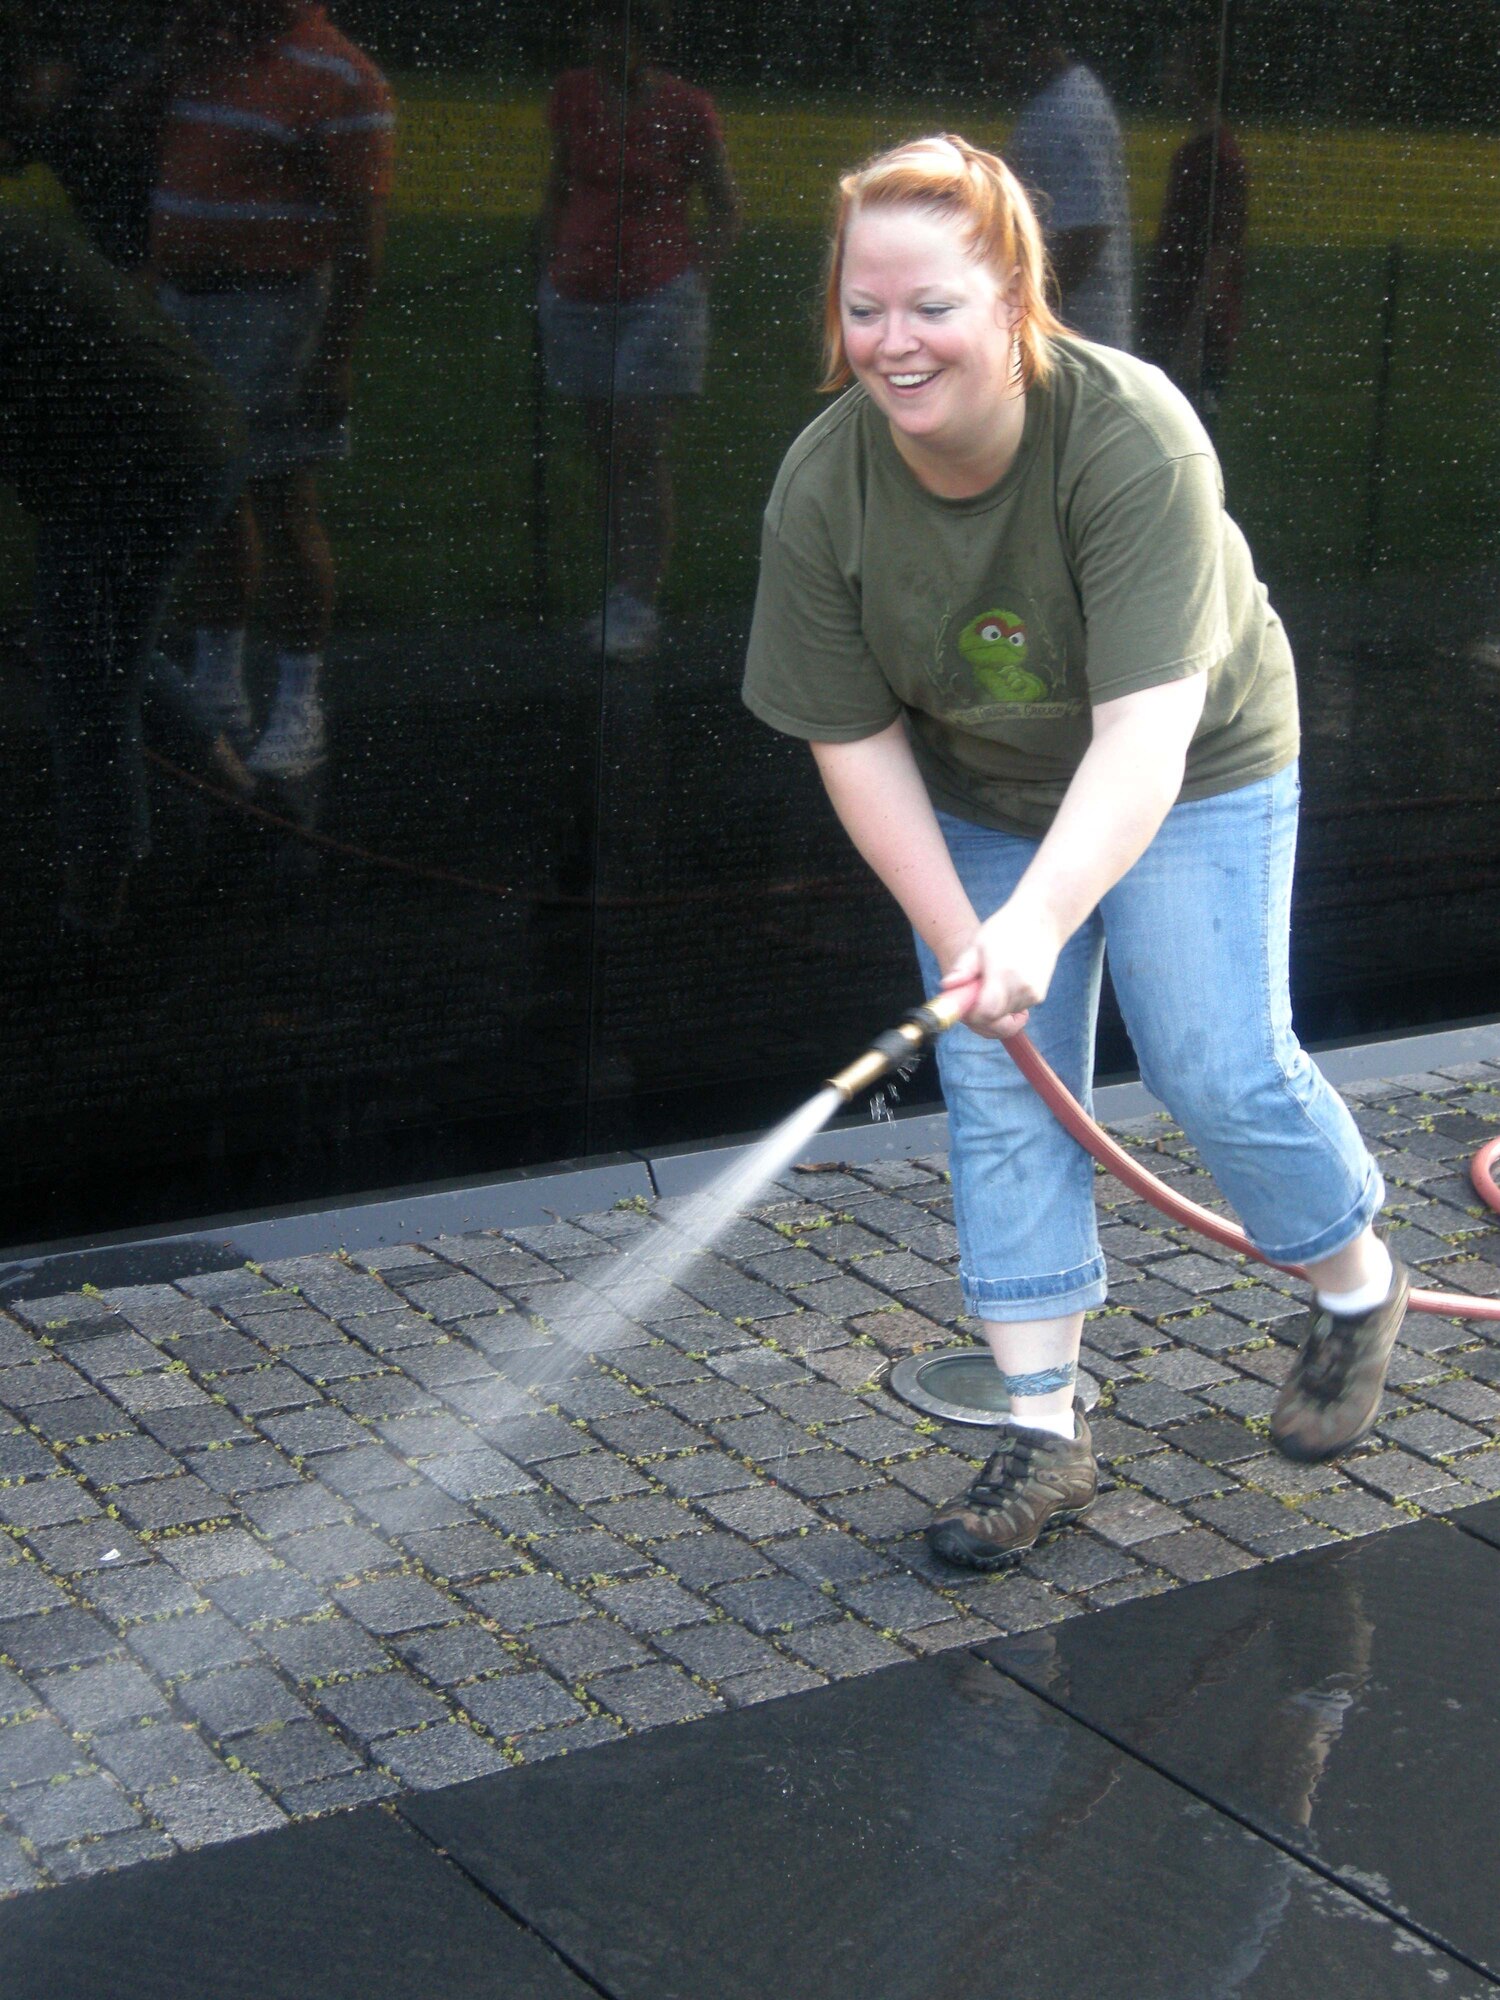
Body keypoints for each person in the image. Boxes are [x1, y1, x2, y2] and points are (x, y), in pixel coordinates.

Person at [742, 136, 1407, 1572]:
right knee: (996, 1083)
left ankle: (1355, 1287)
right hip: (979, 789)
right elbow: (852, 744)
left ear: (1015, 299)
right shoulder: (823, 487)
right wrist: (965, 934)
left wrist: (1037, 924)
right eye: (865, 307)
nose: (893, 342)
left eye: (931, 305)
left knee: (1216, 1062)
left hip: (1188, 762)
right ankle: (1039, 1429)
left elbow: (1145, 740)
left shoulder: (1129, 434)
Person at [151, 0, 395, 779]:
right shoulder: (203, 51)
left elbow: (361, 234)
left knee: (281, 505)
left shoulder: (342, 76)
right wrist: (168, 60)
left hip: (274, 307)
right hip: (180, 304)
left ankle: (299, 704)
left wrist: (335, 356)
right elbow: (125, 138)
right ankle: (219, 687)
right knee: (208, 500)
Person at [0, 209, 241, 933]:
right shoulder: (16, 234)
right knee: (93, 648)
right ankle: (242, 800)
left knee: (88, 688)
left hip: (131, 464)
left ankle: (95, 907)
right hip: (184, 438)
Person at [539, 0, 740, 660]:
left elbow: (724, 206)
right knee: (603, 448)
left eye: (623, 26)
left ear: (649, 38)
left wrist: (693, 283)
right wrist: (544, 268)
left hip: (659, 293)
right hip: (577, 291)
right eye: (598, 24)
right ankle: (612, 590)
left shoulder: (688, 108)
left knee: (638, 445)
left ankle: (635, 601)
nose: (608, 38)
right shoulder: (571, 95)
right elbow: (559, 186)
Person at [979, 0, 1133, 351]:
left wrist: (1014, 310)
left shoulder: (1065, 114)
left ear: (1028, 44)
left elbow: (1086, 234)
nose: (991, 64)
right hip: (1070, 340)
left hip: (1078, 340)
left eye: (996, 47)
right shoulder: (1059, 101)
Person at [1138, 31, 1248, 428]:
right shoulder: (1195, 152)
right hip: (1175, 321)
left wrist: (1191, 339)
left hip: (1196, 328)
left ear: (1196, 76)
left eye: (1174, 69)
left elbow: (1221, 251)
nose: (1166, 79)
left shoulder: (1219, 158)